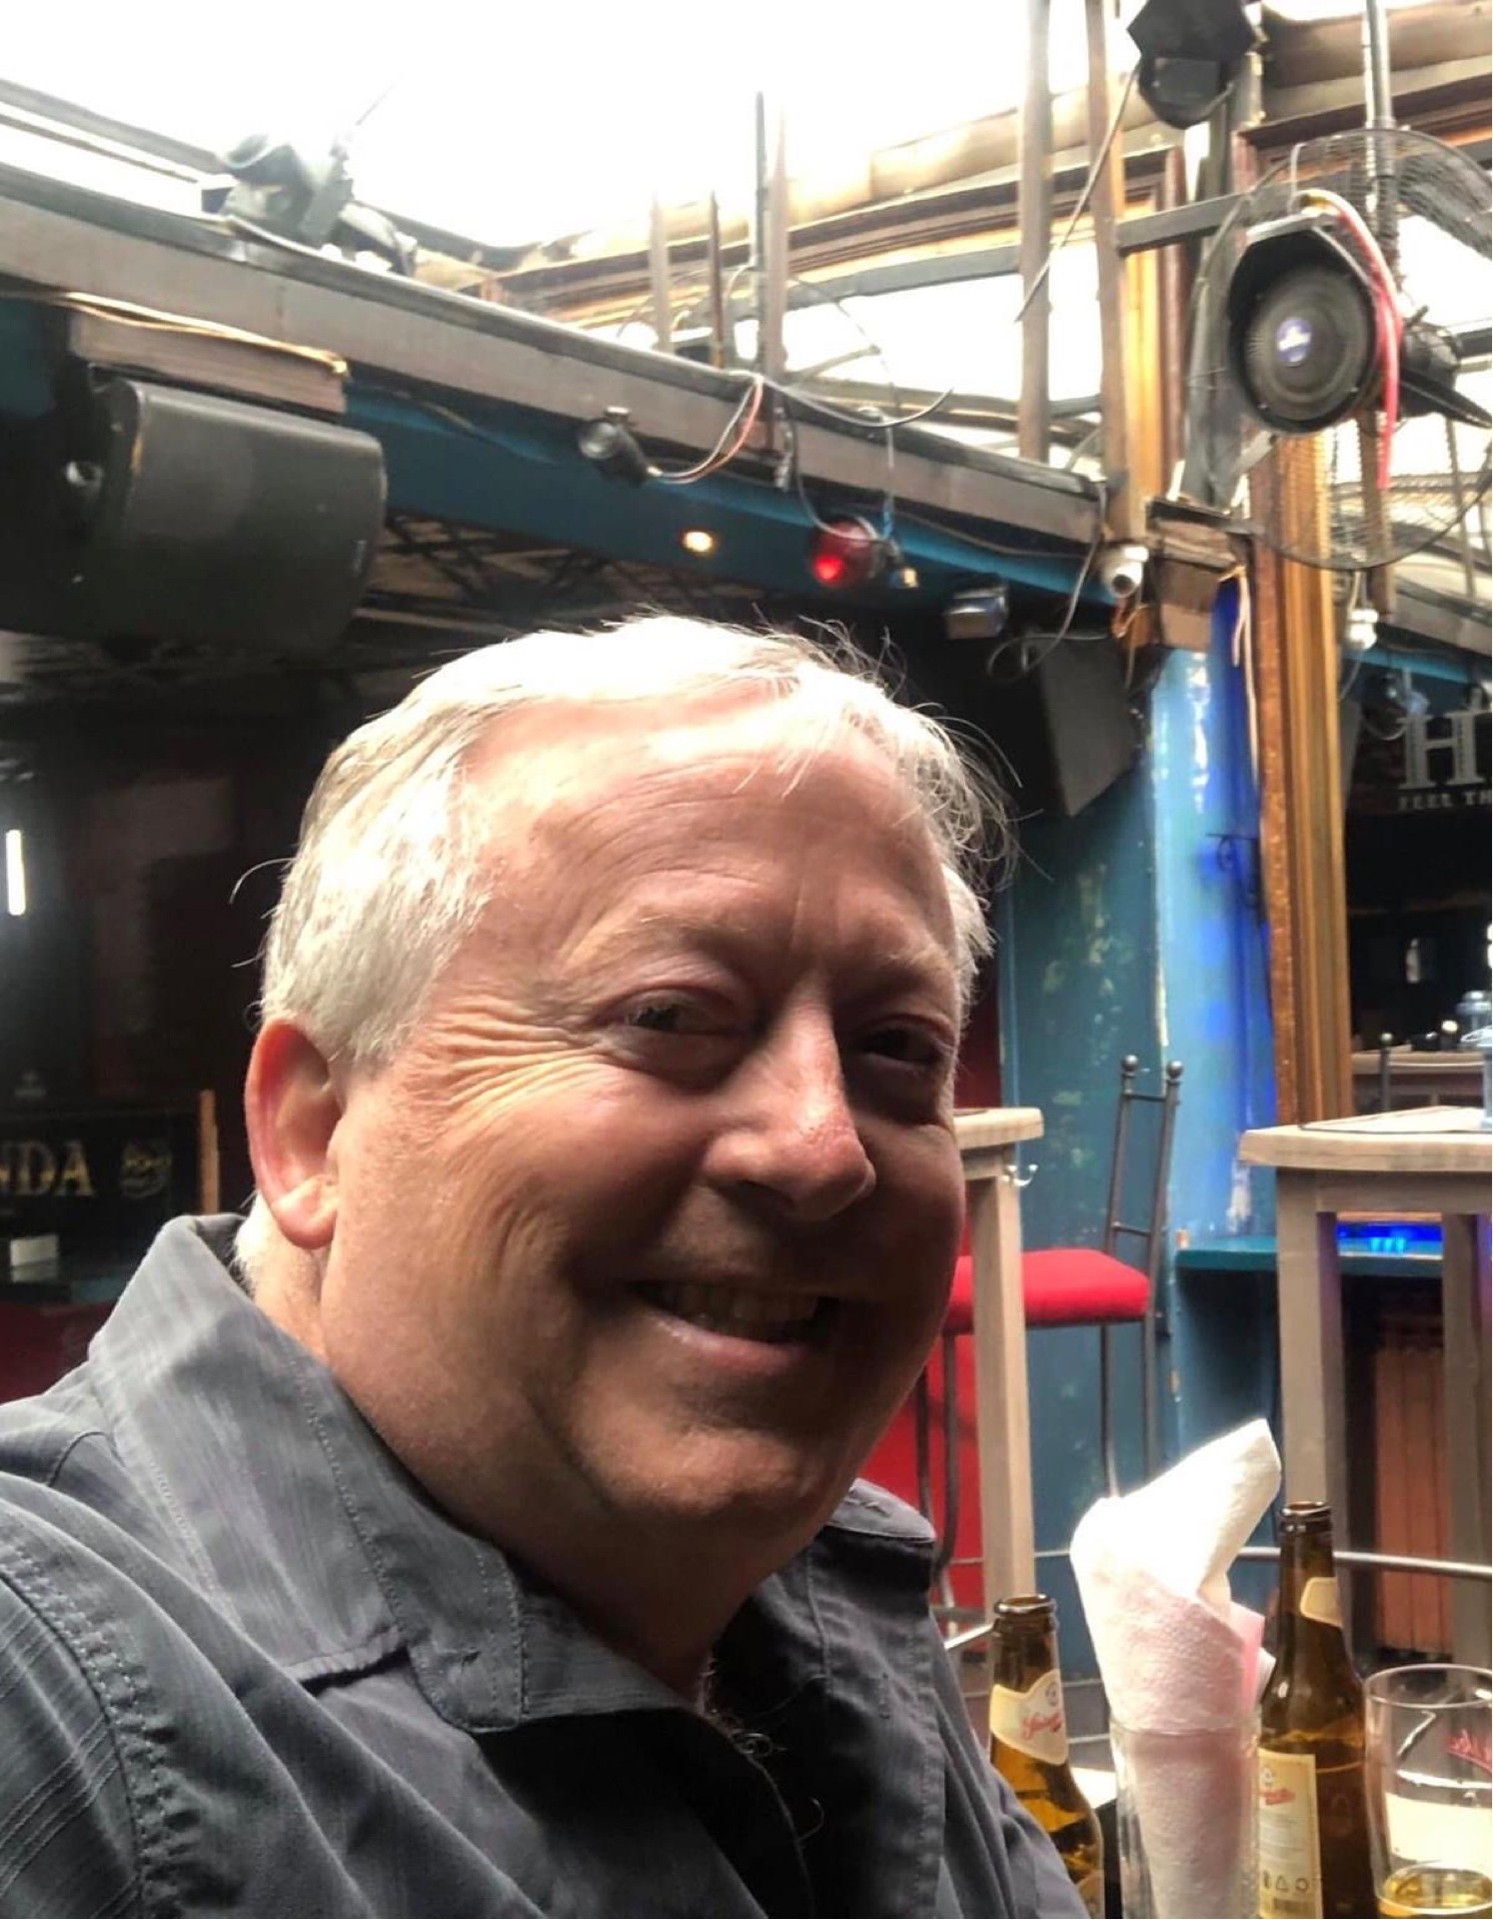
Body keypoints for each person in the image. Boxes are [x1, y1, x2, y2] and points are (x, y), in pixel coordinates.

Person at [0, 615, 1084, 1918]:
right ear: (316, 1131)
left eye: (899, 1047)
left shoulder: (819, 1601)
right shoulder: (46, 1692)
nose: (820, 1149)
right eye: (669, 1017)